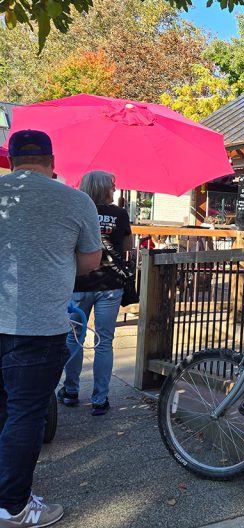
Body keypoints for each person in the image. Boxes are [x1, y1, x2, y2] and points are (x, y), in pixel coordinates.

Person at [0, 130, 102, 527]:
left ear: (10, 161)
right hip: (38, 325)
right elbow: (90, 263)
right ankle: (13, 506)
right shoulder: (77, 200)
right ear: (51, 160)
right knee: (25, 415)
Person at [58, 171, 133, 417]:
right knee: (104, 341)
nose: (115, 188)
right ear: (105, 188)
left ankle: (70, 391)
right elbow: (127, 248)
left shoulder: (76, 208)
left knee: (74, 338)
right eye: (112, 185)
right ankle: (100, 399)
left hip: (79, 282)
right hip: (110, 284)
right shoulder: (120, 214)